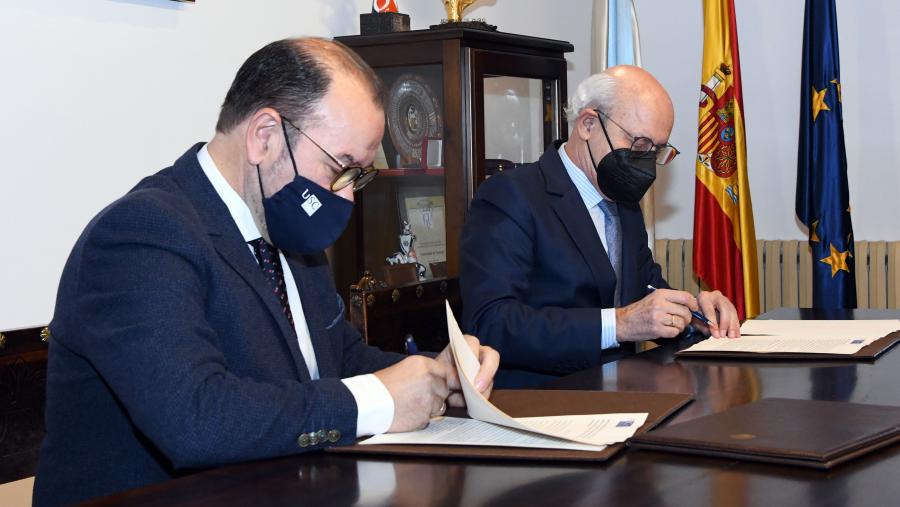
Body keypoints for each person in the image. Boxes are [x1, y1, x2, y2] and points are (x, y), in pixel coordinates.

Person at [34, 37, 498, 506]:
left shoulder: (286, 232)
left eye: (358, 176)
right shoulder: (141, 234)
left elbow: (338, 363)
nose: (346, 196)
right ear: (264, 136)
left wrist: (437, 375)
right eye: (340, 168)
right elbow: (196, 418)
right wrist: (377, 400)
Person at [460, 65, 737, 388]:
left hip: (624, 391)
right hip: (543, 399)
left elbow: (645, 290)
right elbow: (492, 322)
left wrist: (694, 314)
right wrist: (618, 325)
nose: (646, 161)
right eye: (639, 144)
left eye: (656, 150)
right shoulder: (513, 195)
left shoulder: (623, 202)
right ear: (588, 124)